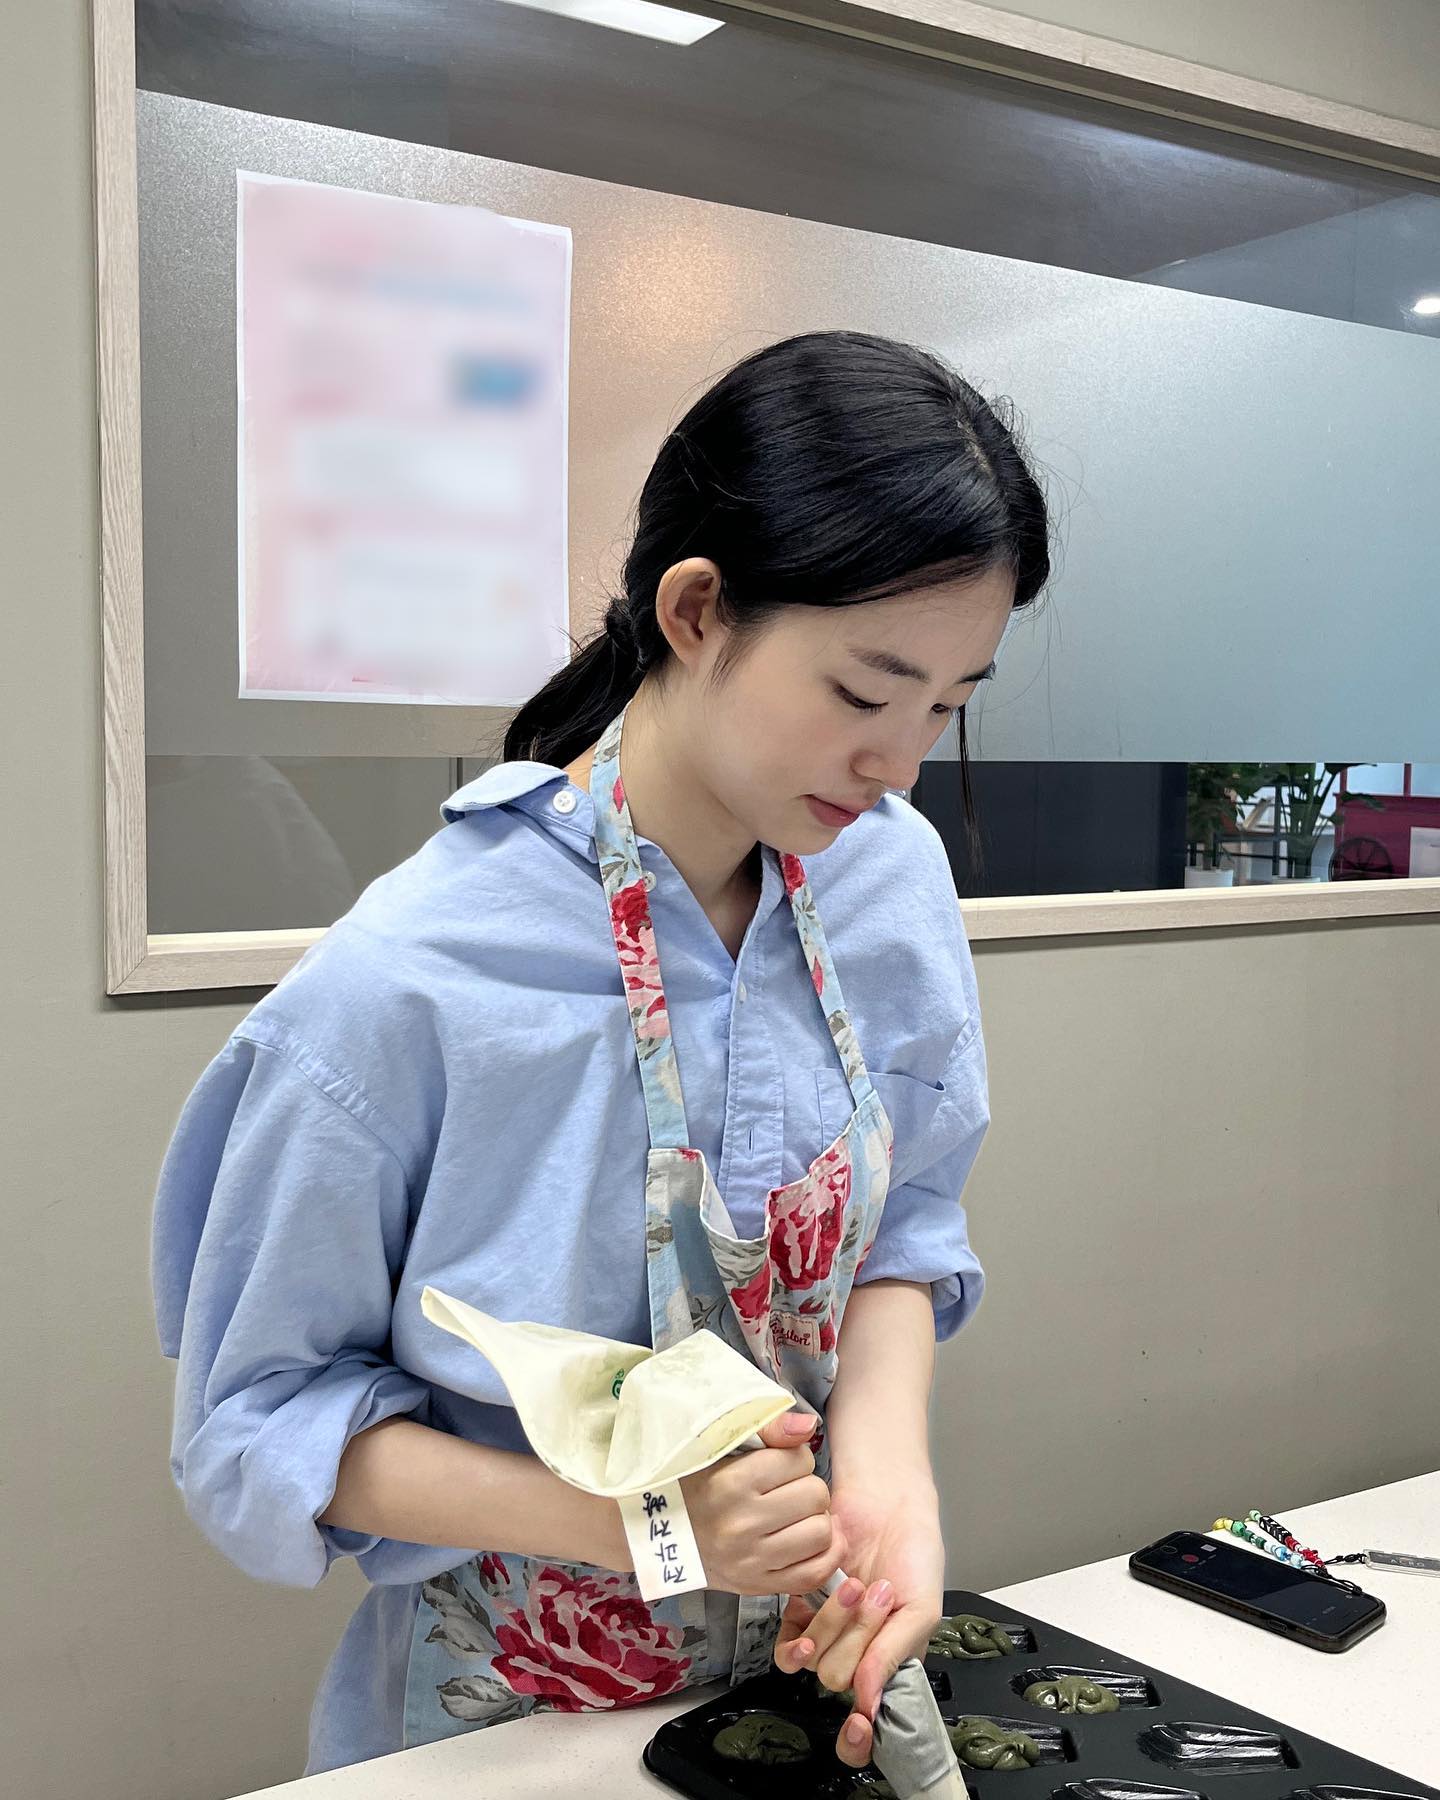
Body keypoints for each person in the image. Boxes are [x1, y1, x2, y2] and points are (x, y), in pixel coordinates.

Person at [151, 329, 1051, 1778]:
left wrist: (888, 1476)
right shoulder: (412, 978)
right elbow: (257, 1422)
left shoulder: (887, 879)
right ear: (696, 610)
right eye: (864, 693)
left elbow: (907, 1223)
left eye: (948, 705)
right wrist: (641, 1523)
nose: (898, 763)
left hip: (797, 1695)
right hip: (505, 1726)